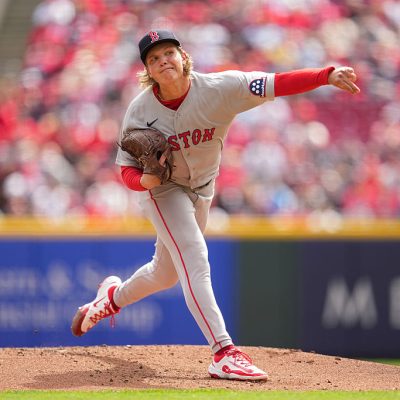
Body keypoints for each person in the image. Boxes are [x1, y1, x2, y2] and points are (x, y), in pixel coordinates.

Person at [71, 29, 360, 380]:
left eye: (168, 54)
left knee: (165, 274)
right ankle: (223, 351)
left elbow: (275, 82)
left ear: (183, 57)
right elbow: (124, 169)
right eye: (154, 59)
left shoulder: (222, 87)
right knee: (196, 258)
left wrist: (325, 75)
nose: (163, 61)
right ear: (148, 71)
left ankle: (111, 297)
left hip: (202, 189)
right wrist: (143, 181)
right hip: (164, 191)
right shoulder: (140, 110)